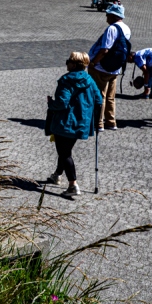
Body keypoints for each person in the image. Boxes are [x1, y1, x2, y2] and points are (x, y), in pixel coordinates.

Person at [45, 52, 104, 197]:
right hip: (81, 123)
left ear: (74, 64)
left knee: (65, 153)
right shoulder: (89, 79)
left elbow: (62, 103)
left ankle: (73, 185)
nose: (66, 63)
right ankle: (57, 174)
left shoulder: (66, 80)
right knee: (65, 150)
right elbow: (99, 101)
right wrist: (96, 120)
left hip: (65, 123)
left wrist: (51, 103)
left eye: (68, 61)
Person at [87, 3, 130, 131]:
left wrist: (93, 62)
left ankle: (98, 123)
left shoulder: (112, 29)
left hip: (102, 68)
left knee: (99, 95)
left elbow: (105, 49)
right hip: (115, 68)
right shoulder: (126, 28)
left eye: (107, 14)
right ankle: (111, 122)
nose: (106, 17)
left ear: (113, 16)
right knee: (110, 97)